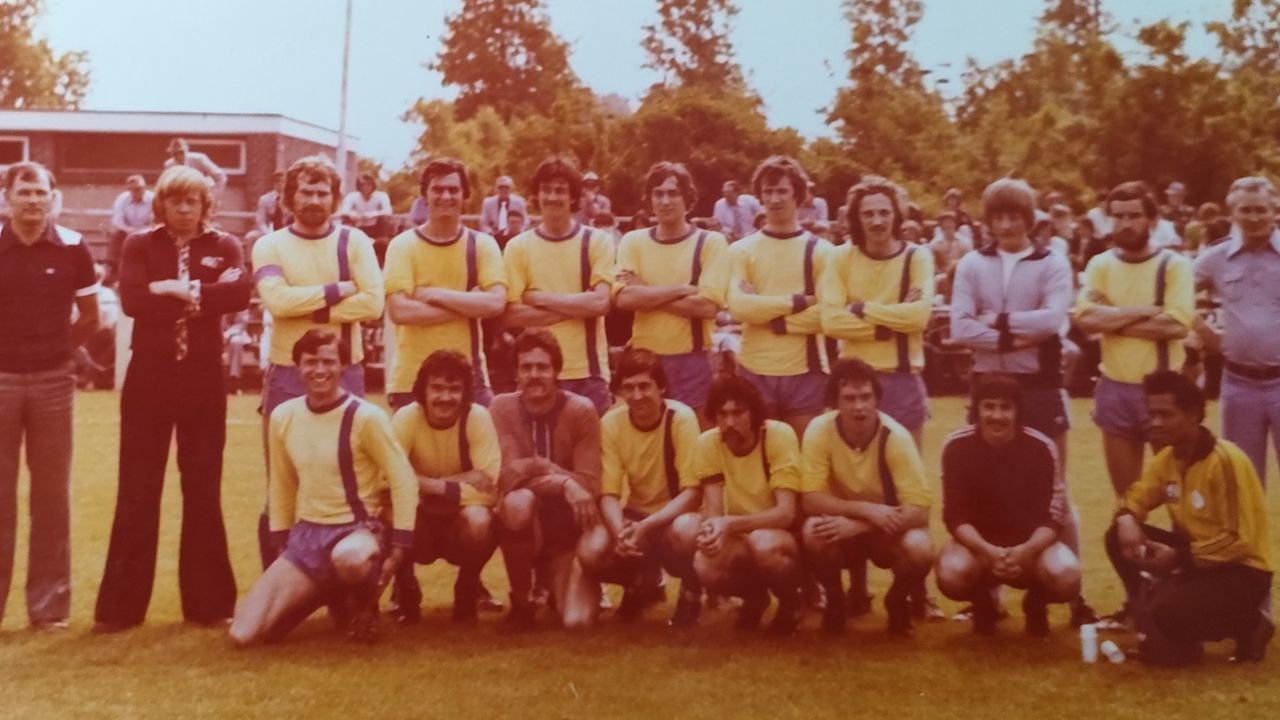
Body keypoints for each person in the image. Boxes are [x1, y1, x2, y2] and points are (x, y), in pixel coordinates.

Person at [94, 165, 250, 633]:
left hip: (203, 378)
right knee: (138, 489)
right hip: (150, 378)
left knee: (202, 487)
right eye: (175, 201)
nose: (184, 209)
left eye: (193, 201)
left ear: (206, 205)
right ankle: (121, 608)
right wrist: (199, 295)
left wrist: (179, 290)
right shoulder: (141, 243)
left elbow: (239, 293)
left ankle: (208, 604)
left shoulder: (225, 245)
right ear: (161, 204)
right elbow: (133, 301)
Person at [951, 177, 1096, 625]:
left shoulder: (1052, 262)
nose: (1007, 224)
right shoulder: (972, 264)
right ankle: (986, 594)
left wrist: (995, 326)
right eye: (999, 216)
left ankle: (1072, 596)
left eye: (1015, 215)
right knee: (988, 489)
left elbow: (1054, 321)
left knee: (1057, 492)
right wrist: (1016, 337)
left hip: (1040, 386)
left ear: (1030, 219)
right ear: (988, 220)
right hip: (988, 383)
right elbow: (960, 327)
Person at [229, 330, 417, 646]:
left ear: (343, 366)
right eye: (310, 362)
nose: (320, 370)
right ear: (297, 367)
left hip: (357, 533)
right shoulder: (283, 416)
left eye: (329, 361)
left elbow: (404, 479)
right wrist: (280, 545)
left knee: (351, 559)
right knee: (244, 634)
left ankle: (362, 605)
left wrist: (398, 549)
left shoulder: (366, 417)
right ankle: (326, 593)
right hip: (307, 538)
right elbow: (282, 484)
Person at [252, 155, 385, 567]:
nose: (313, 199)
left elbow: (373, 302)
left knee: (354, 479)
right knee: (285, 482)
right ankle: (279, 582)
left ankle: (350, 589)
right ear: (289, 197)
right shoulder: (269, 244)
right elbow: (276, 300)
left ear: (335, 197)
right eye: (305, 191)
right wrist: (336, 290)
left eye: (321, 191)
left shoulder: (355, 242)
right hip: (288, 375)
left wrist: (312, 311)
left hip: (347, 371)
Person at [1073, 181, 1194, 627]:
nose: (1125, 223)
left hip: (1165, 393)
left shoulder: (1173, 264)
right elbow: (1085, 320)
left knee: (1181, 501)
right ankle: (1137, 600)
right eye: (1117, 215)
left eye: (1133, 215)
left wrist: (1116, 317)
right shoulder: (1100, 264)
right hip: (1116, 390)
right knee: (1129, 503)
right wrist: (1146, 312)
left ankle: (1185, 594)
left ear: (1152, 219)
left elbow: (1178, 324)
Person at [1106, 370, 1272, 665]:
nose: (1155, 422)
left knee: (1170, 615)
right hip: (1197, 561)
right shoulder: (1167, 459)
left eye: (1166, 414)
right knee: (1116, 536)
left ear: (1194, 413)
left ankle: (1251, 623)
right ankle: (1146, 610)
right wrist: (1127, 517)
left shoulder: (1224, 461)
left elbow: (1237, 541)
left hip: (1241, 571)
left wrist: (1178, 557)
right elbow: (1138, 495)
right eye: (1151, 413)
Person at [0, 162, 98, 630]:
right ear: (8, 197)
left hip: (54, 384)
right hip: (0, 381)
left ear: (52, 197)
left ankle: (49, 609)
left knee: (51, 496)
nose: (33, 200)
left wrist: (59, 350)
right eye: (24, 192)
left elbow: (90, 316)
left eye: (40, 192)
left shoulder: (75, 248)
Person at [935, 374, 1081, 636]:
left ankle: (1036, 602)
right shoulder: (956, 446)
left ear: (1018, 411)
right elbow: (955, 515)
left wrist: (1026, 551)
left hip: (1031, 546)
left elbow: (1053, 516)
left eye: (1006, 407)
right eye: (988, 406)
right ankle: (983, 602)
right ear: (976, 410)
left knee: (1067, 577)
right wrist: (988, 551)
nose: (997, 416)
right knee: (950, 574)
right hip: (979, 546)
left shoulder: (1041, 447)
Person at [800, 359, 934, 636]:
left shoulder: (895, 436)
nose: (859, 406)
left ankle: (896, 601)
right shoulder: (819, 430)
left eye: (866, 397)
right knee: (813, 531)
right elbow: (810, 498)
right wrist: (863, 510)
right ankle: (835, 600)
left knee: (919, 547)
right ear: (834, 402)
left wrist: (864, 523)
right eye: (849, 398)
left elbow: (919, 509)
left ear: (877, 398)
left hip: (883, 531)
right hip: (843, 527)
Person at [577, 349, 705, 624]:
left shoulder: (680, 418)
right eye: (629, 388)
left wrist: (648, 526)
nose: (636, 396)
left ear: (661, 387)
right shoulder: (612, 422)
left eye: (645, 386)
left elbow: (693, 493)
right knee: (591, 550)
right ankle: (639, 583)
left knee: (687, 531)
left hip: (674, 516)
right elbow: (609, 493)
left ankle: (691, 593)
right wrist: (620, 531)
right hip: (637, 515)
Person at [490, 328, 605, 631]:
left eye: (542, 367)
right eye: (526, 367)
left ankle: (566, 582)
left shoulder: (581, 411)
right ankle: (521, 602)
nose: (534, 375)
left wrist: (537, 468)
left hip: (569, 531)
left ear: (557, 372)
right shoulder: (502, 408)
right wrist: (562, 480)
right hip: (530, 524)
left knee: (576, 622)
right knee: (517, 502)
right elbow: (508, 478)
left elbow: (590, 484)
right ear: (516, 373)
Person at [684, 373, 805, 634]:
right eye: (722, 414)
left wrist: (729, 523)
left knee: (763, 543)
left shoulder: (778, 436)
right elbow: (715, 513)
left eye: (738, 413)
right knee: (704, 562)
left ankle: (791, 602)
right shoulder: (709, 443)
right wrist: (713, 534)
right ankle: (755, 598)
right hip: (741, 535)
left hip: (783, 537)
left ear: (755, 414)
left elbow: (786, 513)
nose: (729, 422)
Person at [383, 157, 505, 410]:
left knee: (480, 449)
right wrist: (467, 304)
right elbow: (400, 311)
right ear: (425, 196)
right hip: (411, 378)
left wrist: (431, 293)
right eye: (438, 189)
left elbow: (495, 303)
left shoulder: (481, 245)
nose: (445, 196)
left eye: (453, 189)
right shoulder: (403, 245)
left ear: (465, 195)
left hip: (469, 376)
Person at [389, 350, 501, 624]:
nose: (445, 397)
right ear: (422, 391)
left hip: (458, 522)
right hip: (419, 521)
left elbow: (491, 487)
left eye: (454, 389)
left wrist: (421, 483)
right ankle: (406, 588)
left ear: (465, 394)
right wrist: (456, 482)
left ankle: (467, 587)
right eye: (437, 388)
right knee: (388, 513)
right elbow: (386, 480)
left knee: (479, 519)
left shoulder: (477, 417)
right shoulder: (406, 418)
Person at [821, 175, 933, 446]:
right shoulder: (840, 257)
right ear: (857, 218)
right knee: (855, 474)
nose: (877, 221)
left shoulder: (916, 257)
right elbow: (831, 321)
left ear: (897, 215)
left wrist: (862, 308)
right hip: (853, 381)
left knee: (907, 478)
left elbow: (919, 317)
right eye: (868, 213)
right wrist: (894, 322)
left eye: (884, 212)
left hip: (902, 377)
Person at [615, 161, 729, 421]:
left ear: (687, 199)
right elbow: (624, 298)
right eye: (658, 194)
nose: (665, 201)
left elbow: (708, 307)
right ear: (650, 200)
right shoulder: (633, 241)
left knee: (694, 444)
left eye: (673, 193)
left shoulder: (710, 242)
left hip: (693, 360)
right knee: (647, 441)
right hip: (644, 362)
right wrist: (681, 290)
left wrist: (646, 292)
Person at [502, 155, 615, 415]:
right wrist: (578, 306)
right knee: (539, 456)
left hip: (589, 374)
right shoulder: (518, 247)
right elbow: (510, 315)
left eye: (560, 191)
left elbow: (600, 302)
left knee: (592, 456)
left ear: (573, 197)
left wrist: (538, 298)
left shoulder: (596, 242)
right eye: (546, 190)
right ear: (536, 195)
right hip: (537, 373)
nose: (552, 197)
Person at [727, 156, 830, 438]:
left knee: (805, 461)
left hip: (805, 371)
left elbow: (828, 314)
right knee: (761, 461)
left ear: (797, 194)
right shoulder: (741, 249)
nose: (774, 199)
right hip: (753, 368)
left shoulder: (820, 251)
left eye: (782, 191)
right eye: (768, 191)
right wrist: (798, 302)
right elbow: (740, 307)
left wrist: (775, 321)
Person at [1194, 177, 1280, 484]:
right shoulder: (1217, 258)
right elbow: (1174, 291)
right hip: (1239, 385)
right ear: (1232, 214)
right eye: (1245, 210)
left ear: (1275, 211)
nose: (1254, 217)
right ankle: (1250, 536)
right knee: (1243, 481)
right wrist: (1202, 331)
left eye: (1261, 209)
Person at [108, 175, 154, 281]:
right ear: (129, 190)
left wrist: (142, 231)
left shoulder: (153, 198)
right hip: (128, 231)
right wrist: (129, 230)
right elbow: (117, 220)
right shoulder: (122, 199)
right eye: (136, 189)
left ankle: (149, 271)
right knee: (117, 236)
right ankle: (117, 270)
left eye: (142, 188)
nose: (140, 191)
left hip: (147, 230)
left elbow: (156, 220)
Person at [339, 172, 394, 246]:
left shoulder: (381, 195)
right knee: (345, 218)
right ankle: (346, 242)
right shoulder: (352, 196)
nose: (365, 187)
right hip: (358, 226)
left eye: (368, 184)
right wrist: (352, 213)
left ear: (373, 185)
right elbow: (343, 210)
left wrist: (373, 214)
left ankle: (382, 242)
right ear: (358, 185)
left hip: (375, 227)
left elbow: (388, 211)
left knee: (385, 218)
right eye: (362, 184)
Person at [479, 175, 528, 247]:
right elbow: (483, 223)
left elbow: (526, 221)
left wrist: (518, 232)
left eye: (507, 187)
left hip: (514, 237)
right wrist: (490, 234)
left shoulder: (519, 202)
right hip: (494, 237)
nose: (504, 190)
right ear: (496, 189)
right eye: (501, 187)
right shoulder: (488, 202)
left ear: (511, 189)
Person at [245, 170, 288, 251]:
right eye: (277, 181)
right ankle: (251, 263)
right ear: (273, 184)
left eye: (283, 181)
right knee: (250, 237)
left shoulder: (291, 199)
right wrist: (268, 234)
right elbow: (261, 221)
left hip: (286, 231)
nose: (280, 184)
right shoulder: (265, 199)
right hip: (269, 231)